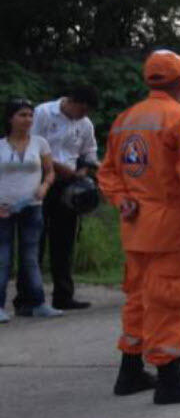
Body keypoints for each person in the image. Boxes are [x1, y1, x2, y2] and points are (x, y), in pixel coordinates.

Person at [97, 50, 180, 404]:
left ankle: (131, 370)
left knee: (138, 299)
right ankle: (170, 380)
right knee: (172, 300)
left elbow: (106, 172)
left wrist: (122, 199)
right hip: (171, 228)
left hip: (135, 229)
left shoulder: (125, 120)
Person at [32, 85, 99, 311]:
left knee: (65, 241)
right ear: (72, 101)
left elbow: (90, 151)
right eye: (82, 109)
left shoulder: (85, 124)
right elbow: (32, 147)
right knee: (35, 240)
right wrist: (58, 168)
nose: (84, 115)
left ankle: (63, 295)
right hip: (40, 180)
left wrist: (86, 169)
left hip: (70, 185)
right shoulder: (43, 113)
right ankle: (30, 297)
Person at [0, 99, 62, 321]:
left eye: (30, 115)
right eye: (22, 115)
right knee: (3, 258)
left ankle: (37, 303)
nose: (27, 120)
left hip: (32, 206)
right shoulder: (1, 146)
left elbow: (50, 171)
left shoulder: (40, 143)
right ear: (11, 118)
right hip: (4, 209)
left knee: (30, 257)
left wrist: (45, 186)